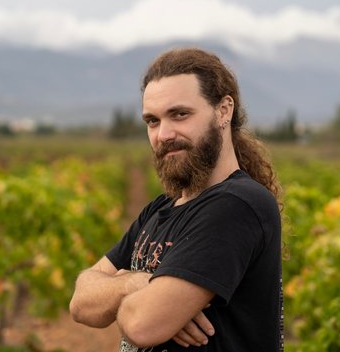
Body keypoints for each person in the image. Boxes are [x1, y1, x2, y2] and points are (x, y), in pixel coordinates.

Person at [69, 47, 283, 351]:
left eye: (179, 114)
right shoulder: (158, 210)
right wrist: (136, 283)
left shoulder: (238, 204)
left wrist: (122, 292)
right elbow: (80, 302)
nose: (163, 134)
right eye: (152, 121)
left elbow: (142, 325)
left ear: (224, 111)